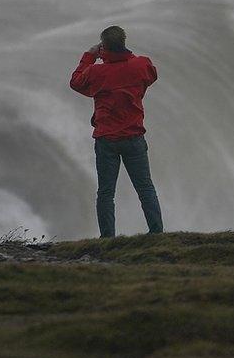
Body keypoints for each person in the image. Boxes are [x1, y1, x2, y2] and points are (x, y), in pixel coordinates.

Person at [69, 25, 163, 237]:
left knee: (105, 192)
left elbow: (75, 82)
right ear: (124, 42)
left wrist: (90, 56)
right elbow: (151, 74)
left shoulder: (96, 72)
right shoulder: (141, 65)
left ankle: (107, 237)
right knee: (145, 188)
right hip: (134, 137)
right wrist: (125, 57)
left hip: (107, 139)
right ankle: (156, 232)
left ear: (104, 48)